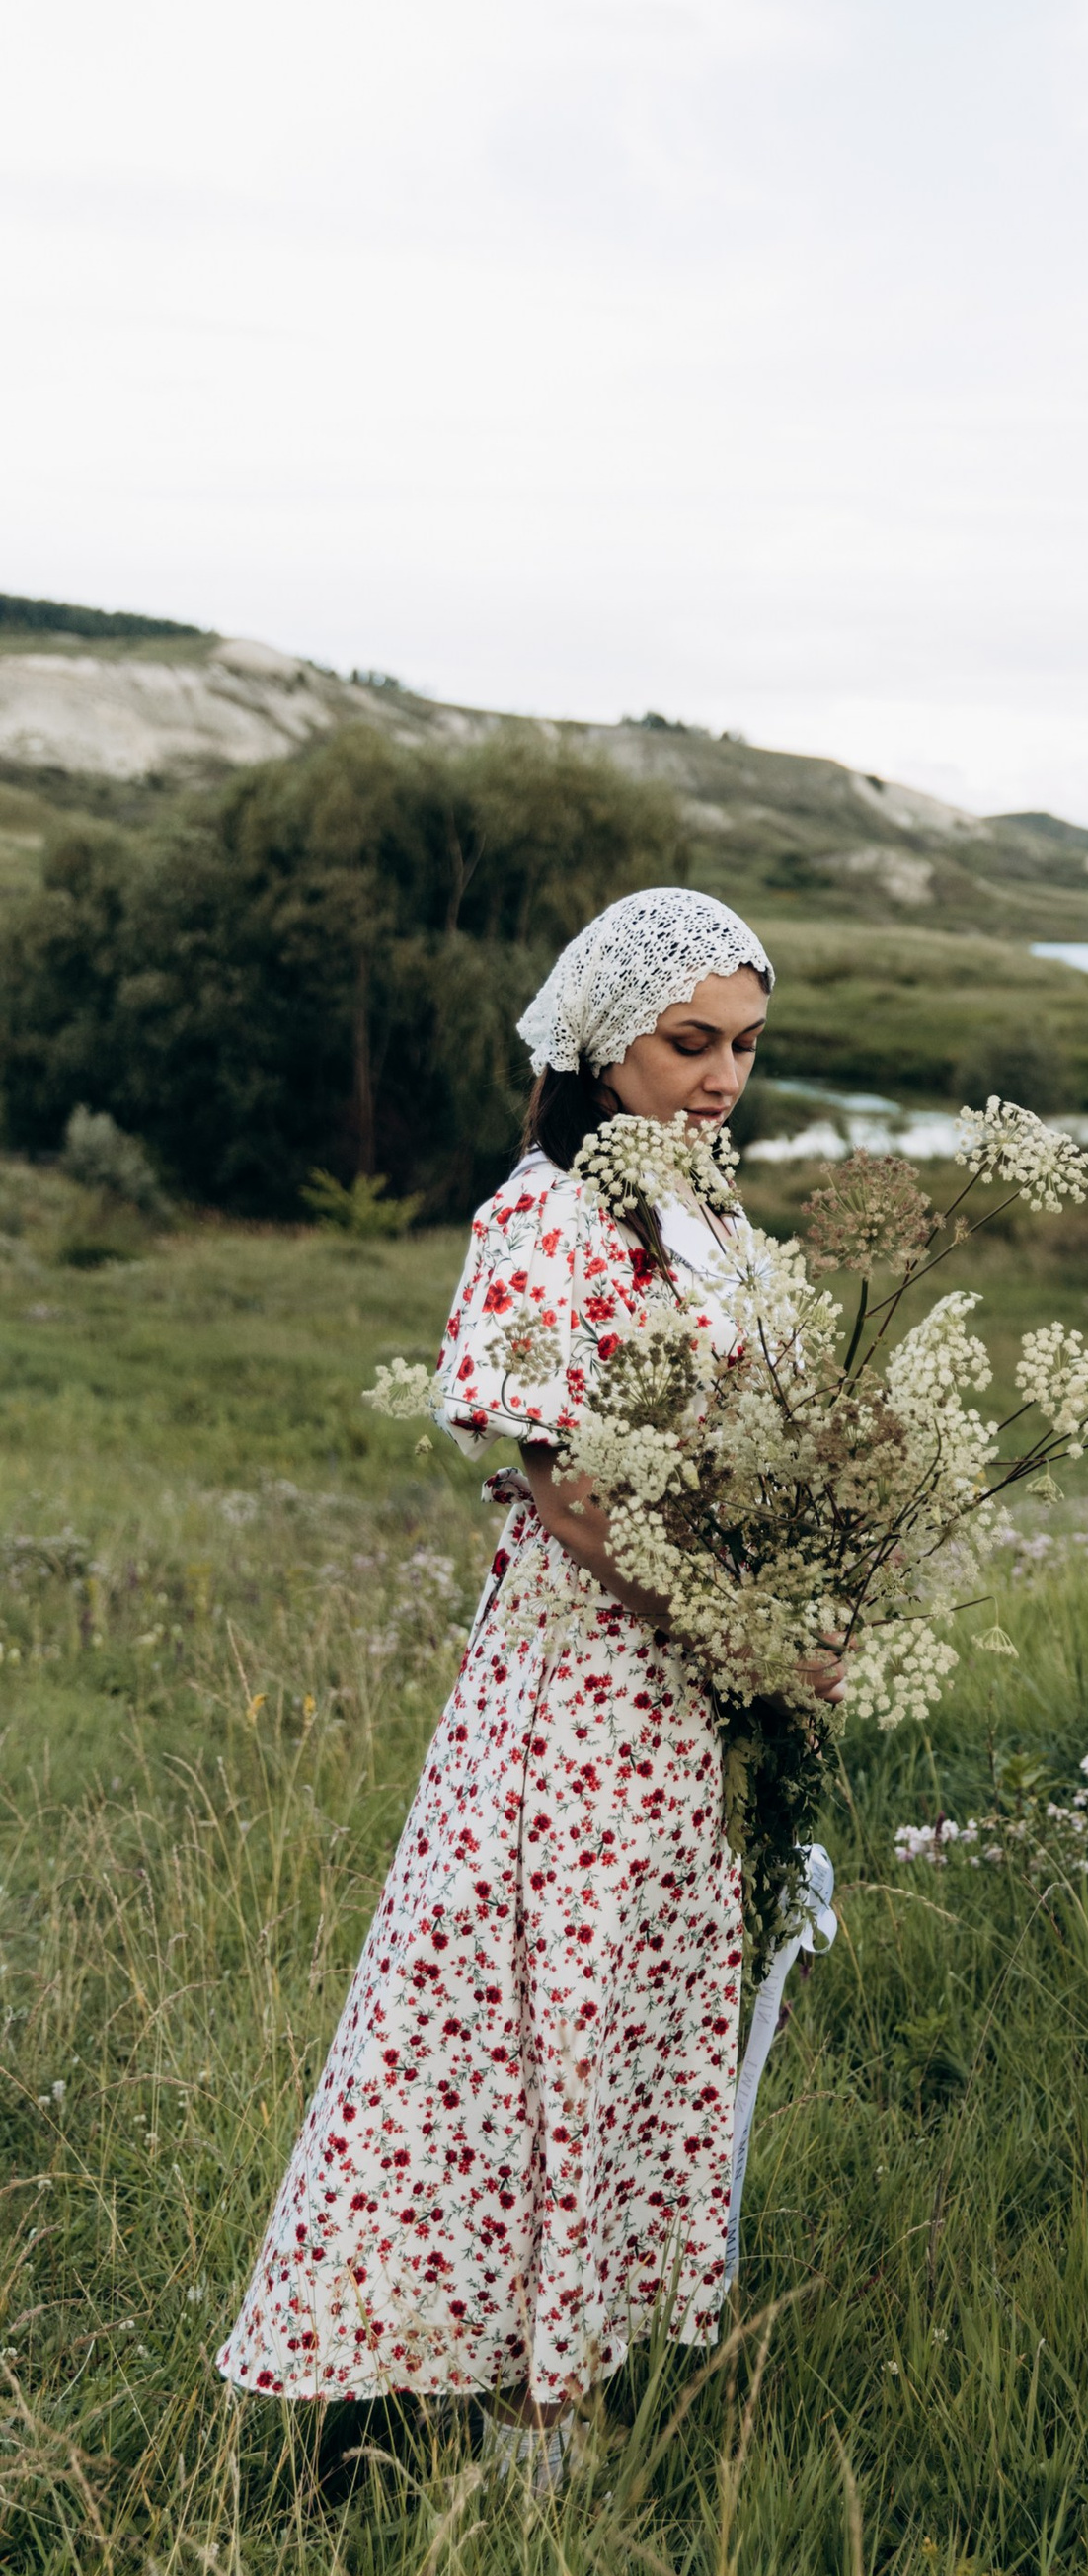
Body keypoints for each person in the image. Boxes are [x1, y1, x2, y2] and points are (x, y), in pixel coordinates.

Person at [217, 886, 833, 2481]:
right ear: (595, 1039)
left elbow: (762, 1453)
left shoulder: (712, 1216)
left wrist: (812, 1593)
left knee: (635, 2027)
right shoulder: (540, 1221)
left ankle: (565, 2391)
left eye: (745, 1048)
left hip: (695, 1700)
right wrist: (750, 1640)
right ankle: (505, 2420)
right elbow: (574, 1492)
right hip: (586, 1688)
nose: (718, 1078)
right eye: (687, 1042)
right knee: (530, 2034)